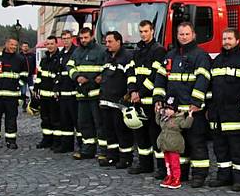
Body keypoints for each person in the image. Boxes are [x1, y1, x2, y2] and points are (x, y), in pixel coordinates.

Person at [153, 22, 212, 187]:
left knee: (196, 143)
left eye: (187, 34)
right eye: (181, 34)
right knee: (179, 145)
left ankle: (199, 175)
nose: (184, 37)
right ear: (177, 36)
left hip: (193, 111)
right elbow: (160, 78)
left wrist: (196, 102)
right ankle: (182, 173)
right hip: (174, 112)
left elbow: (203, 79)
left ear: (193, 35)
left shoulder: (200, 55)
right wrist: (158, 98)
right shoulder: (170, 56)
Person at [207, 28, 240, 191]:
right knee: (220, 148)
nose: (226, 41)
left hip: (237, 114)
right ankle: (224, 177)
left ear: (237, 40)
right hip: (218, 114)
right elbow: (211, 87)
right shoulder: (217, 60)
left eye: (229, 38)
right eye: (224, 39)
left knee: (238, 148)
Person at [127, 20, 167, 177]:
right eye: (141, 31)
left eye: (146, 31)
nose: (143, 34)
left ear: (152, 31)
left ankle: (162, 168)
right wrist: (132, 90)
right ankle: (145, 164)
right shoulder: (137, 50)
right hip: (137, 99)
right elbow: (131, 71)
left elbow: (155, 75)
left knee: (154, 134)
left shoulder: (159, 51)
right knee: (140, 134)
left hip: (150, 100)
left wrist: (140, 92)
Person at [67, 27, 107, 160]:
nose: (83, 40)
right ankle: (87, 150)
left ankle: (103, 151)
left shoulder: (101, 50)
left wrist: (99, 77)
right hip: (82, 94)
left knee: (100, 123)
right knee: (84, 123)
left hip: (96, 93)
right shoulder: (77, 52)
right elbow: (70, 67)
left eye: (86, 37)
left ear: (92, 36)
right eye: (81, 38)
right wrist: (77, 77)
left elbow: (107, 67)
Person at [99, 30, 137, 168]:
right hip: (106, 100)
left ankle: (126, 158)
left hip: (119, 102)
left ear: (118, 42)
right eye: (106, 42)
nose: (107, 44)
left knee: (122, 131)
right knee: (109, 131)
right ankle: (112, 156)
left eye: (110, 42)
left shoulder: (126, 56)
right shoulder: (106, 56)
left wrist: (131, 92)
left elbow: (131, 76)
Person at [0, 37, 28, 150]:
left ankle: (11, 141)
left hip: (12, 95)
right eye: (11, 44)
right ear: (6, 44)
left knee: (11, 119)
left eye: (15, 45)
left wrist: (17, 85)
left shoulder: (20, 59)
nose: (13, 47)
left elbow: (24, 75)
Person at [156, 98, 195, 189]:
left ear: (175, 110)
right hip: (165, 144)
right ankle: (169, 176)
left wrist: (190, 116)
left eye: (170, 109)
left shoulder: (179, 118)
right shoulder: (164, 118)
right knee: (167, 163)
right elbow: (158, 122)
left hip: (174, 144)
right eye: (166, 109)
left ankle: (176, 178)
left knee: (175, 163)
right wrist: (158, 112)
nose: (167, 111)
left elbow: (186, 125)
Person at [33, 36, 61, 150]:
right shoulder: (44, 60)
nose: (49, 46)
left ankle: (57, 141)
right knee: (45, 119)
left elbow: (59, 77)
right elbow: (39, 76)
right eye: (48, 44)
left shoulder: (59, 59)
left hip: (54, 96)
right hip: (44, 95)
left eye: (52, 44)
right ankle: (46, 139)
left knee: (56, 120)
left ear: (56, 44)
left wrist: (57, 90)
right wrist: (36, 88)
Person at [54, 30, 79, 154]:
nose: (65, 40)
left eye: (67, 38)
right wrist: (56, 89)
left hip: (73, 93)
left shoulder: (76, 52)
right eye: (63, 38)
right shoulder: (61, 54)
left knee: (77, 121)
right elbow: (58, 73)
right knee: (65, 121)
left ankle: (82, 144)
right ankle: (66, 145)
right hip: (63, 93)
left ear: (72, 38)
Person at [20, 41, 36, 107]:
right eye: (24, 46)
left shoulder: (32, 55)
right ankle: (24, 104)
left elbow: (35, 64)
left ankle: (33, 104)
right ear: (21, 47)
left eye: (26, 46)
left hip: (30, 76)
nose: (25, 48)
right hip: (22, 77)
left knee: (32, 91)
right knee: (23, 91)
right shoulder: (19, 56)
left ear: (28, 47)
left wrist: (34, 73)